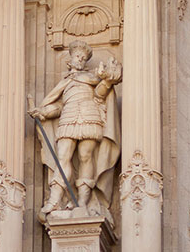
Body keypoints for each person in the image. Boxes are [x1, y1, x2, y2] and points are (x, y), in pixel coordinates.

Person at [29, 40, 121, 214]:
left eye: (83, 57)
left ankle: (82, 202)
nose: (80, 59)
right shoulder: (65, 82)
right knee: (62, 156)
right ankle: (55, 200)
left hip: (89, 115)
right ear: (70, 60)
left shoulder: (93, 77)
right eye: (77, 56)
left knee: (86, 156)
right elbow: (59, 106)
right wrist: (42, 112)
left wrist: (108, 81)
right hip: (68, 118)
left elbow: (99, 94)